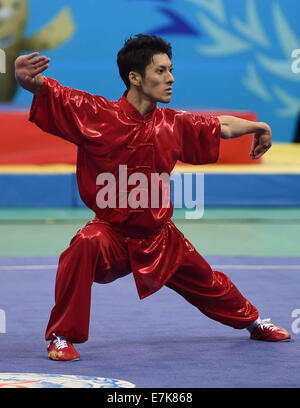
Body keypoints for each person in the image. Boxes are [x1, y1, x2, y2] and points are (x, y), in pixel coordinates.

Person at [15, 34, 291, 361]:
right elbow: (50, 91)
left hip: (160, 238)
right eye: (160, 71)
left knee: (210, 283)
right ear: (135, 78)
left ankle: (254, 321)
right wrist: (24, 79)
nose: (171, 78)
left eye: (171, 70)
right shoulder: (94, 114)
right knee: (84, 243)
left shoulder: (173, 124)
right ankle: (61, 336)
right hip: (111, 236)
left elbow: (222, 125)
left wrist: (257, 127)